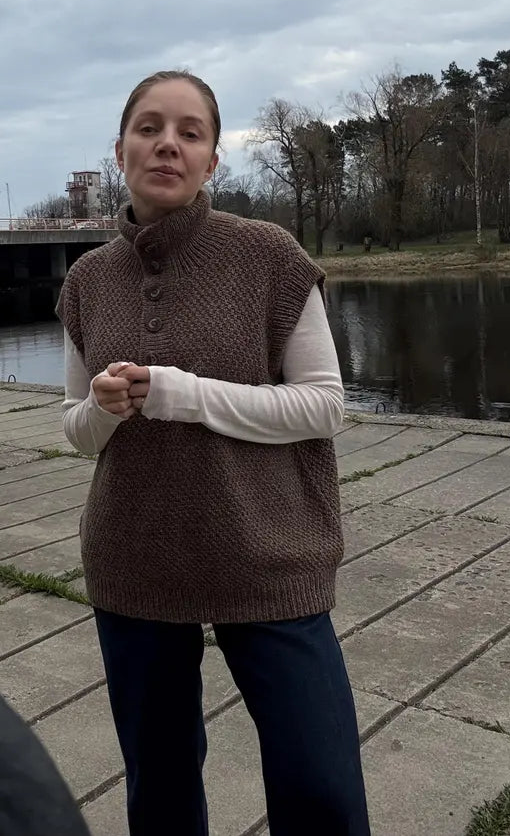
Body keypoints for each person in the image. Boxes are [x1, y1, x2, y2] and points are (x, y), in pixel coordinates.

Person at [56, 70, 370, 836]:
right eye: (149, 127)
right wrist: (101, 407)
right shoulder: (87, 281)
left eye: (190, 132)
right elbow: (75, 429)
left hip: (269, 555)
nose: (168, 143)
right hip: (134, 560)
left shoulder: (269, 255)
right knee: (159, 792)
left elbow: (324, 405)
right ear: (121, 150)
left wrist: (185, 394)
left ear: (211, 160)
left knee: (321, 787)